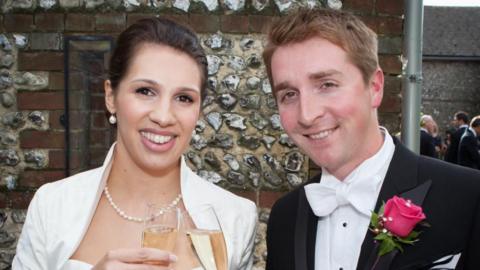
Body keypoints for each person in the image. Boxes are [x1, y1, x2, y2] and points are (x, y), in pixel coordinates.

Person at [13, 18, 257, 270]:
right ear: (111, 96)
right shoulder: (52, 206)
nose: (163, 116)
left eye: (184, 98)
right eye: (145, 91)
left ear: (199, 111)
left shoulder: (234, 219)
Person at [262, 8, 480, 270]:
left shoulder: (468, 198)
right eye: (288, 94)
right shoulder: (284, 217)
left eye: (327, 85)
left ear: (374, 87)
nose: (307, 115)